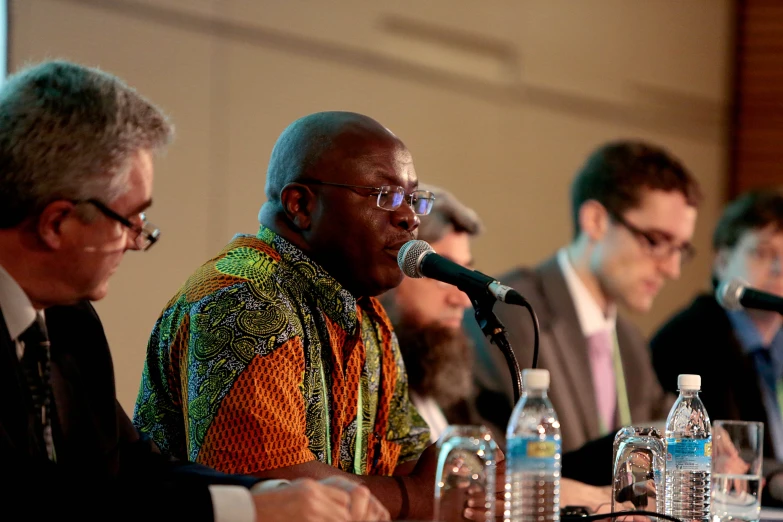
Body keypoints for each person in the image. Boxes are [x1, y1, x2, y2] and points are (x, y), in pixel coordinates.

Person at [0, 60, 383, 522]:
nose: (139, 241)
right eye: (130, 221)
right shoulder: (242, 294)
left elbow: (134, 470)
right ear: (56, 224)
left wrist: (285, 494)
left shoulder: (70, 321)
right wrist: (249, 509)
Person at [133, 111, 477, 521]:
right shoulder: (245, 297)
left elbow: (410, 461)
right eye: (385, 195)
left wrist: (460, 481)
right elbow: (278, 493)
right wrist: (421, 498)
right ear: (301, 205)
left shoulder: (368, 315)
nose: (409, 218)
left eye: (412, 198)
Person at [382, 183, 632, 513]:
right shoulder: (371, 386)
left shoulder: (451, 387)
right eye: (441, 274)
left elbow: (507, 482)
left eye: (463, 275)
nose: (460, 299)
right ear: (393, 272)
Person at [469, 140, 701, 483]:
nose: (672, 269)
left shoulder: (629, 339)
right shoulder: (513, 316)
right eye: (655, 241)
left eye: (680, 249)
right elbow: (502, 470)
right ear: (595, 220)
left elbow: (661, 433)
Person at [651, 188, 783, 503]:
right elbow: (721, 453)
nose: (780, 268)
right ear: (723, 262)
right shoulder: (691, 338)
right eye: (763, 253)